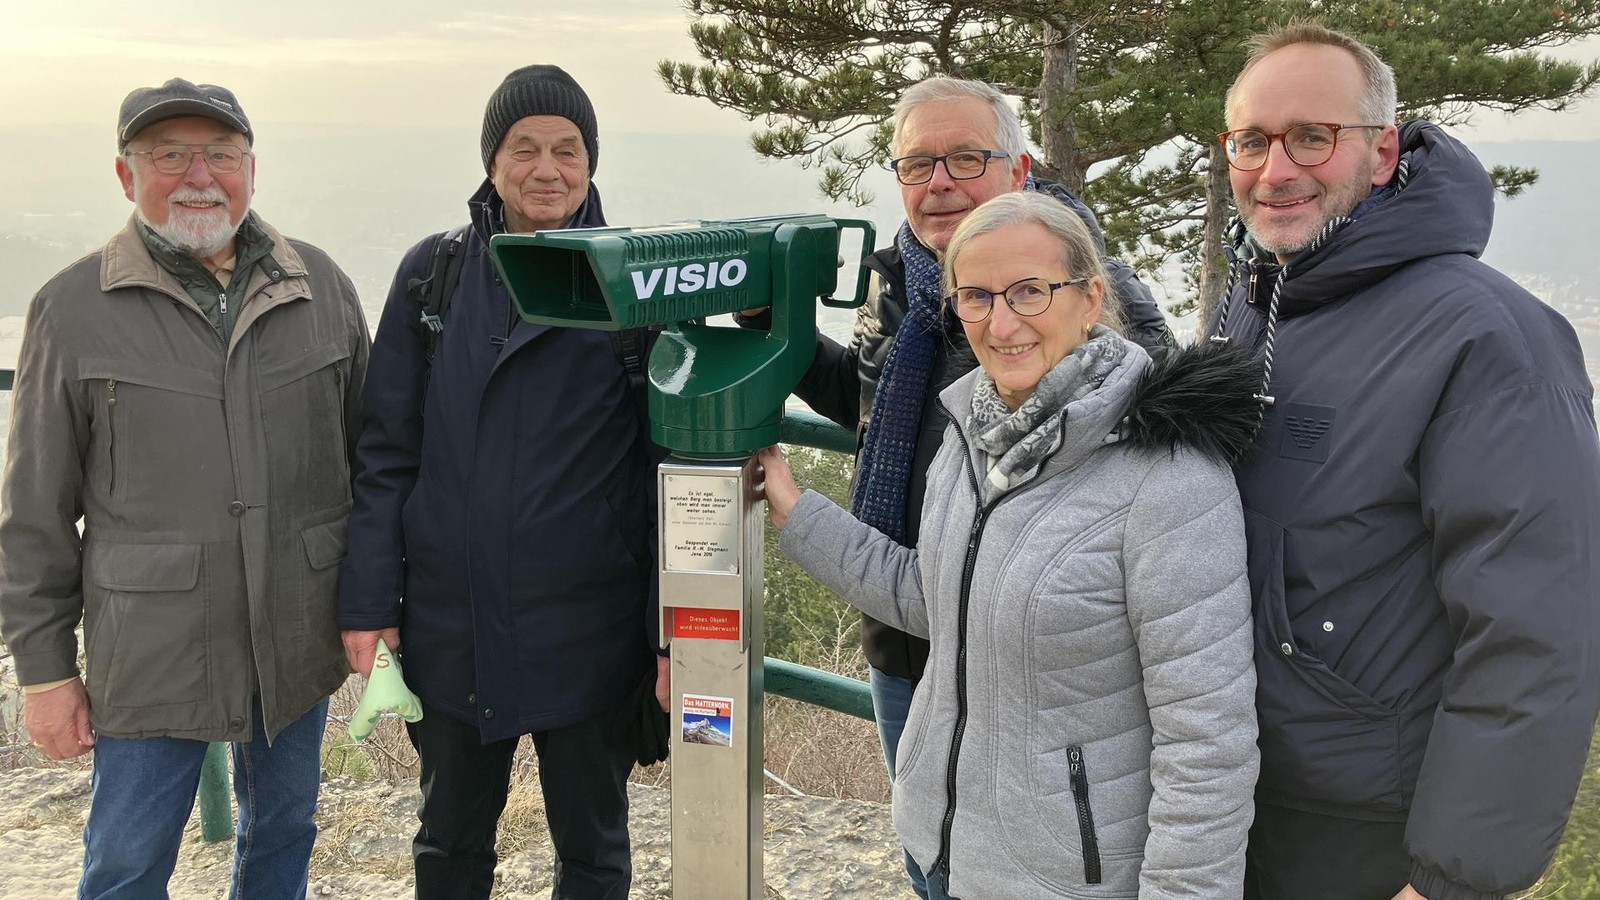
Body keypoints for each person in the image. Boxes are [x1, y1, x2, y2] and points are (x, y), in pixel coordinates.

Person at [740, 76, 1175, 898]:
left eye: (966, 158)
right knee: (930, 859)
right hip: (904, 640)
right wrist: (781, 334)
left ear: (1021, 170)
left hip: (1036, 676)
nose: (939, 182)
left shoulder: (1092, 297)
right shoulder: (901, 282)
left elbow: (1153, 457)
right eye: (917, 164)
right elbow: (870, 411)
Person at [1211, 23, 1600, 900]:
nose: (1276, 169)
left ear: (1383, 151)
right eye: (1251, 140)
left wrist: (1451, 879)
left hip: (1374, 832)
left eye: (1314, 136)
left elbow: (1534, 636)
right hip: (1244, 792)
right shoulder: (1266, 299)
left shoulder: (1489, 340)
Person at [0, 78, 369, 898]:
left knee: (285, 835)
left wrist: (376, 602)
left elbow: (367, 465)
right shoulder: (70, 308)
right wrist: (46, 672)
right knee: (128, 862)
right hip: (152, 651)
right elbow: (33, 515)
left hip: (294, 636)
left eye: (222, 154)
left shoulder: (323, 289)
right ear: (128, 176)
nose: (200, 174)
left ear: (251, 169)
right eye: (170, 155)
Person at [337, 64, 665, 900]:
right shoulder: (431, 277)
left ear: (592, 163)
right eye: (525, 148)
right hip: (454, 619)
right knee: (448, 840)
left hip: (591, 625)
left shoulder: (635, 279)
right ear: (492, 163)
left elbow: (671, 468)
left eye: (567, 148)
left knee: (593, 845)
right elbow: (387, 454)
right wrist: (371, 605)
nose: (546, 168)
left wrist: (673, 638)